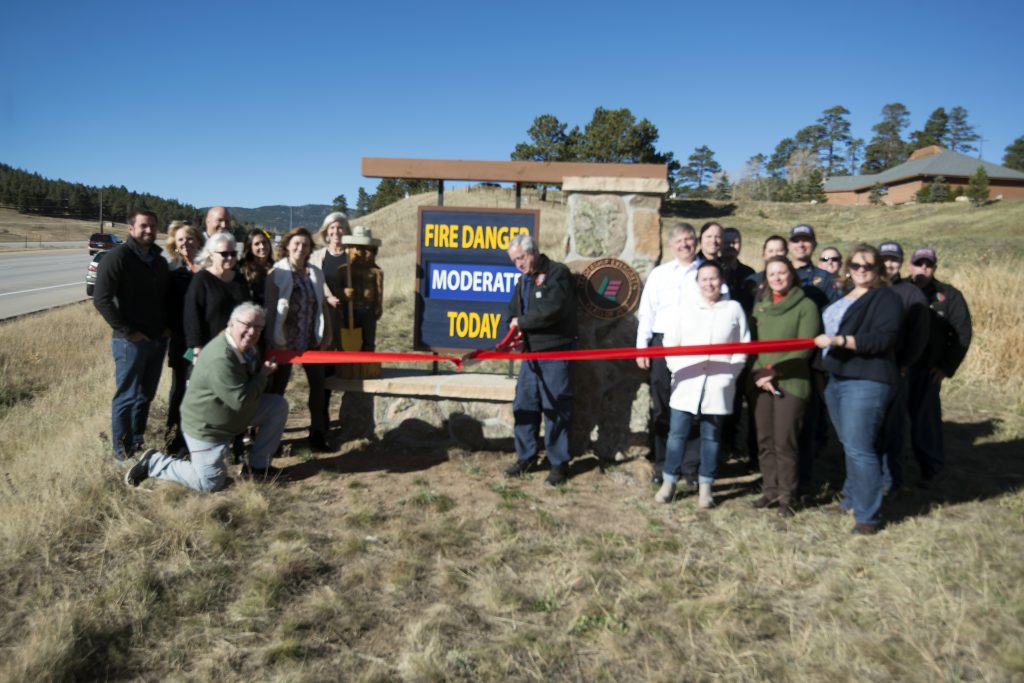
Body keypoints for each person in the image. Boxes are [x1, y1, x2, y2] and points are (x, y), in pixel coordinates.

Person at [125, 303, 288, 491]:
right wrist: (263, 375)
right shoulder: (222, 357)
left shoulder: (243, 347)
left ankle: (257, 467)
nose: (252, 332)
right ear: (231, 323)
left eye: (259, 328)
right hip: (207, 427)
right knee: (209, 483)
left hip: (229, 416)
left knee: (277, 406)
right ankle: (155, 463)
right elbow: (240, 400)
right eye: (248, 325)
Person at [814, 244, 902, 535]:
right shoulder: (844, 296)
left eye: (868, 265)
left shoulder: (885, 298)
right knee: (850, 444)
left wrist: (840, 341)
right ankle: (852, 498)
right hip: (837, 376)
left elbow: (882, 340)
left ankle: (868, 516)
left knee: (860, 447)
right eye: (855, 265)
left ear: (878, 269)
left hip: (867, 379)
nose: (861, 270)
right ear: (848, 268)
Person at [655, 261, 749, 508]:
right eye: (704, 279)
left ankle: (706, 485)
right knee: (677, 435)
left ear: (721, 281)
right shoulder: (684, 309)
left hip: (718, 384)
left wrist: (731, 374)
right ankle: (669, 481)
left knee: (712, 437)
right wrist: (677, 370)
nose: (709, 283)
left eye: (714, 278)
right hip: (687, 382)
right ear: (697, 283)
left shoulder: (734, 309)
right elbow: (670, 344)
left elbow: (742, 346)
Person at [93, 210, 170, 463]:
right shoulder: (117, 258)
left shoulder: (158, 260)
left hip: (157, 340)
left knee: (145, 394)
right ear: (131, 228)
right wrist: (128, 331)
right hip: (129, 343)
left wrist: (166, 327)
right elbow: (101, 299)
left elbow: (164, 298)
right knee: (126, 396)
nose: (149, 230)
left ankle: (136, 442)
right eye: (144, 226)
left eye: (153, 226)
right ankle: (120, 453)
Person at [748, 257, 821, 517]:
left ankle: (788, 497)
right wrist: (760, 374)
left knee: (784, 441)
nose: (777, 278)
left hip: (790, 382)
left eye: (782, 273)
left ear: (791, 274)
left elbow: (804, 347)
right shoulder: (761, 308)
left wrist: (774, 372)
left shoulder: (806, 306)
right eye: (772, 274)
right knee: (765, 439)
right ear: (765, 278)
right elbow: (752, 344)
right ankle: (770, 489)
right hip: (761, 383)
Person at [502, 233, 577, 487]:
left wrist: (521, 323)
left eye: (521, 258)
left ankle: (558, 464)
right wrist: (512, 332)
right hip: (530, 356)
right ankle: (526, 457)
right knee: (524, 405)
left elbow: (552, 309)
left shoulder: (558, 273)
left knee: (555, 408)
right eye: (514, 261)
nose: (518, 265)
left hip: (555, 353)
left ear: (533, 252)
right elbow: (512, 311)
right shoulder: (523, 281)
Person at [634, 223, 701, 484]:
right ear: (671, 245)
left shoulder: (707, 272)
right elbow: (647, 311)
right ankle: (663, 465)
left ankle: (690, 467)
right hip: (661, 345)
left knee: (692, 406)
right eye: (679, 240)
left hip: (695, 345)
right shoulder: (660, 274)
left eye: (689, 239)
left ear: (695, 241)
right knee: (661, 406)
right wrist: (642, 347)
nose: (684, 244)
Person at [265, 227, 337, 452]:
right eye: (296, 244)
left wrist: (328, 333)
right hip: (284, 343)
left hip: (310, 341)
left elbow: (322, 305)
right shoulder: (276, 273)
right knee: (278, 391)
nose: (300, 248)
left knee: (317, 386)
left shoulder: (315, 273)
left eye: (305, 245)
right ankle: (271, 440)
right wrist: (272, 341)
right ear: (287, 245)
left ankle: (317, 434)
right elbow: (269, 308)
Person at [907, 247, 972, 484]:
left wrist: (946, 367)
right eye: (919, 263)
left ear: (935, 267)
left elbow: (962, 333)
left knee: (926, 421)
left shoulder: (949, 296)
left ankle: (931, 468)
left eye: (928, 264)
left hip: (928, 370)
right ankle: (896, 470)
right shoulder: (898, 290)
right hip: (900, 369)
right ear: (910, 266)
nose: (923, 268)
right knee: (895, 421)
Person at [878, 241, 930, 495]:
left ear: (901, 263)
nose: (889, 264)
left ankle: (892, 481)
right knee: (872, 426)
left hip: (896, 370)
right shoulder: (869, 288)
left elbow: (919, 337)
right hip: (870, 369)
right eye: (885, 259)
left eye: (894, 260)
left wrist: (906, 363)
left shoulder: (912, 294)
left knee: (893, 428)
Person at [164, 220, 202, 452]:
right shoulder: (172, 270)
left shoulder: (209, 267)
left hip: (207, 341)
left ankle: (199, 438)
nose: (186, 243)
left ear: (198, 241)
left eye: (190, 238)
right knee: (180, 388)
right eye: (180, 240)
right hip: (182, 342)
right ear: (175, 245)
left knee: (202, 388)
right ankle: (174, 437)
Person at [184, 231, 251, 357]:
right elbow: (192, 316)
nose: (230, 258)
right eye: (224, 254)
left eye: (233, 253)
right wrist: (197, 349)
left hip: (237, 348)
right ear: (211, 255)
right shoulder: (201, 279)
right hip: (209, 348)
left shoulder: (240, 279)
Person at [788, 224, 839, 308]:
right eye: (796, 241)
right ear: (789, 245)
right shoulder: (778, 274)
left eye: (806, 240)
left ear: (814, 244)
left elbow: (832, 311)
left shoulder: (825, 278)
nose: (801, 245)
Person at [742, 234, 788, 302]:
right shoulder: (753, 281)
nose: (774, 254)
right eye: (770, 251)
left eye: (779, 250)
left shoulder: (792, 279)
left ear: (786, 253)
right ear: (764, 254)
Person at [239, 229, 274, 307]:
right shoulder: (241, 269)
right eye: (257, 244)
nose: (262, 246)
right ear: (250, 247)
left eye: (264, 242)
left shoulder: (276, 267)